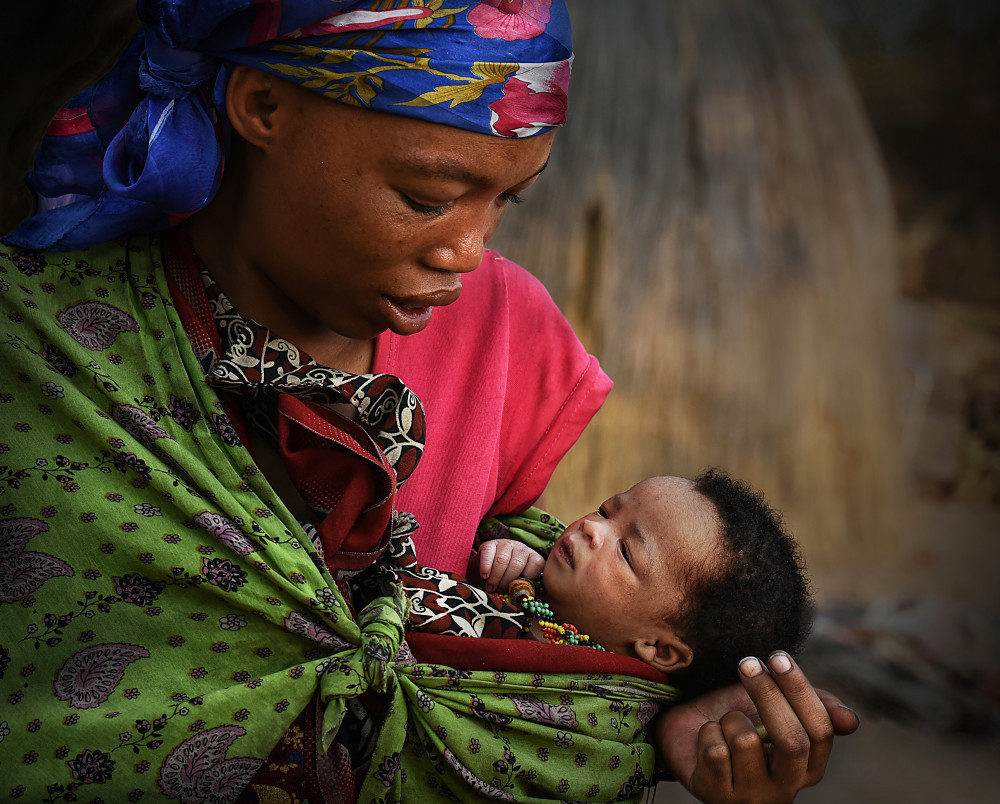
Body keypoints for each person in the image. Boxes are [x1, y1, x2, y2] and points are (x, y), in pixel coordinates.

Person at [0, 2, 857, 802]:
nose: (467, 251)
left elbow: (513, 568)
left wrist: (645, 709)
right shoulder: (50, 347)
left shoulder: (513, 339)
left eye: (507, 201)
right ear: (263, 105)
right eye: (428, 198)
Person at [392, 468, 812, 699]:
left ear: (659, 649)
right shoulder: (536, 577)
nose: (594, 529)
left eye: (626, 552)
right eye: (607, 512)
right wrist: (511, 555)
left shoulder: (591, 710)